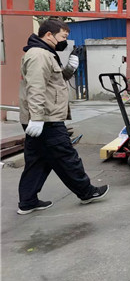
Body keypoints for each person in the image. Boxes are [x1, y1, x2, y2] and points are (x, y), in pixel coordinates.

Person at [17, 19, 109, 215]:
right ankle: (86, 192)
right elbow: (36, 88)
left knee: (38, 160)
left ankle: (28, 201)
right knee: (66, 157)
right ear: (49, 35)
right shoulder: (39, 55)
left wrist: (70, 68)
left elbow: (54, 81)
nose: (65, 41)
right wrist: (37, 117)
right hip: (46, 119)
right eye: (63, 36)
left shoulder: (46, 53)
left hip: (43, 118)